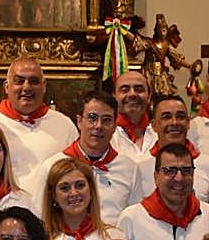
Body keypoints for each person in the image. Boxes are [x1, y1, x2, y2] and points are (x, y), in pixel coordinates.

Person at [27, 90, 145, 224]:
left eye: (106, 120)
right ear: (79, 121)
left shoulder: (129, 169)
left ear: (114, 126)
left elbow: (136, 220)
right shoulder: (52, 166)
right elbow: (38, 218)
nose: (99, 126)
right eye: (92, 118)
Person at [0, 58, 77, 180]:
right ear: (7, 87)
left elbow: (77, 173)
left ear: (44, 86)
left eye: (34, 81)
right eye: (19, 81)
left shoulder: (64, 125)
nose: (27, 87)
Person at [141, 94, 209, 203]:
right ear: (154, 125)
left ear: (188, 123)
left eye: (180, 117)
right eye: (166, 117)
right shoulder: (140, 167)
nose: (174, 122)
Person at [109, 70, 156, 156]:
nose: (132, 94)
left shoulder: (160, 134)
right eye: (125, 90)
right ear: (114, 97)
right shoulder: (104, 136)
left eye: (139, 89)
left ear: (149, 96)